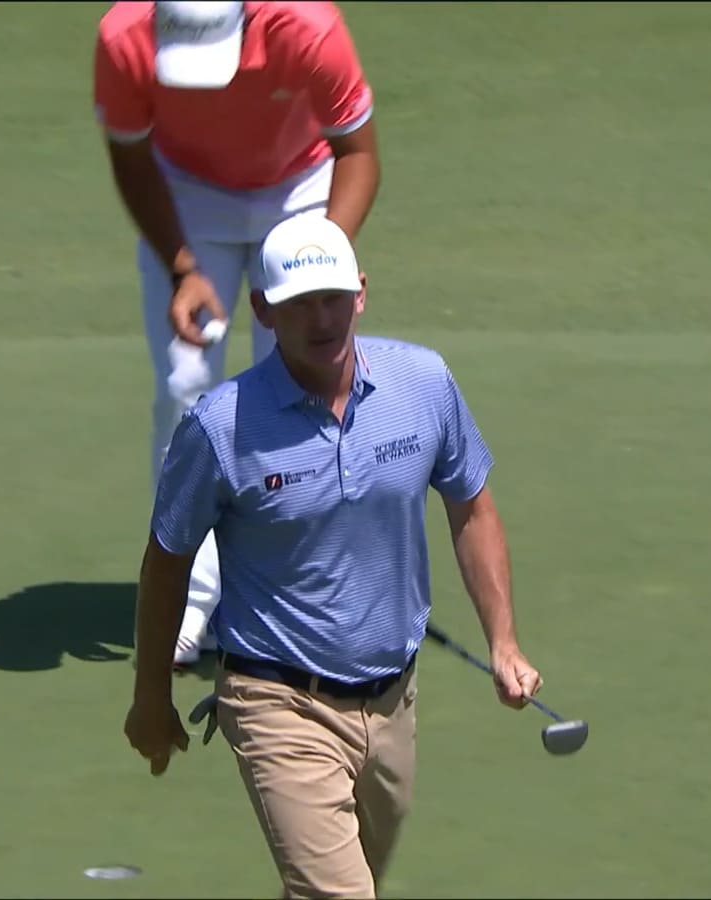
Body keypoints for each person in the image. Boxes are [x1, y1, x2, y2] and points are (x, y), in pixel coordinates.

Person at [124, 215, 544, 898]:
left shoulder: (423, 383)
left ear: (361, 293)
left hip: (391, 699)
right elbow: (167, 560)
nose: (322, 318)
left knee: (346, 883)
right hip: (277, 700)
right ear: (262, 310)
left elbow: (472, 504)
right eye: (298, 304)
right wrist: (150, 696)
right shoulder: (221, 426)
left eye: (333, 297)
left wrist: (504, 641)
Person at [93, 0, 382, 666]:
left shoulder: (307, 27)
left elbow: (358, 151)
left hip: (300, 187)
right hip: (187, 195)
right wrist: (182, 268)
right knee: (185, 387)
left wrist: (322, 264)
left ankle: (286, 595)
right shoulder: (122, 38)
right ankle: (189, 606)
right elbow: (132, 158)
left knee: (299, 388)